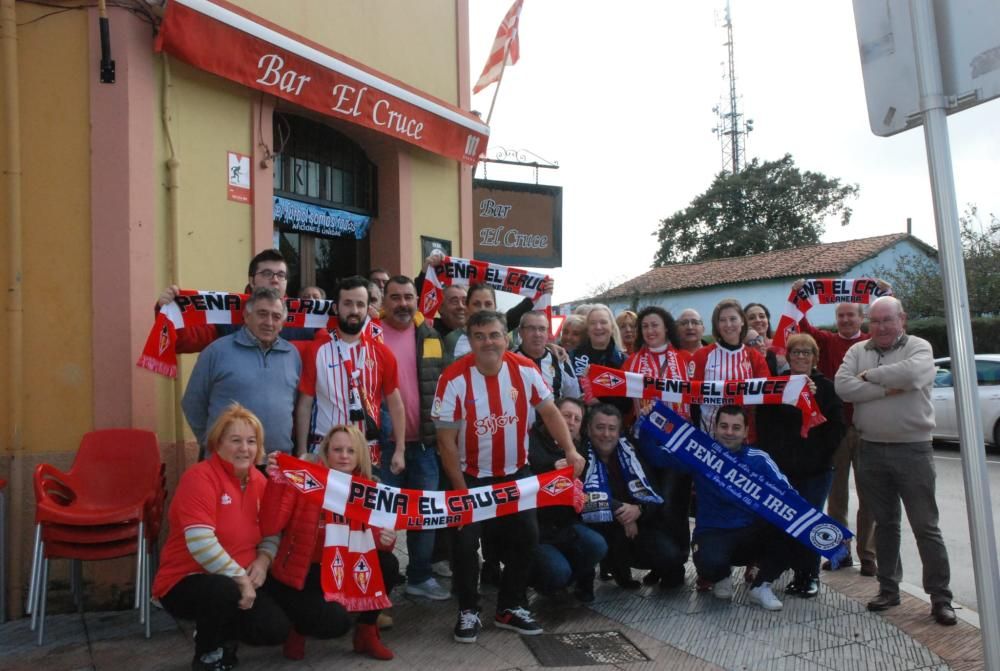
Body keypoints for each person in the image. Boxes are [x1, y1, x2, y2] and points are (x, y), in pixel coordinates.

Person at [433, 310, 585, 644]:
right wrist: (461, 493)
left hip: (517, 474)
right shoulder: (453, 379)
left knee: (527, 538)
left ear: (507, 338)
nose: (488, 342)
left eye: (494, 335)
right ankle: (468, 610)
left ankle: (510, 607)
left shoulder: (526, 370)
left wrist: (570, 450)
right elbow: (445, 443)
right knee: (464, 542)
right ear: (470, 341)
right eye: (480, 336)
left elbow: (550, 413)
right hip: (471, 476)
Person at [835, 296, 957, 625]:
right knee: (885, 526)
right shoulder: (857, 350)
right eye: (875, 321)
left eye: (888, 320)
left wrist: (869, 377)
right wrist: (888, 387)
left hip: (913, 448)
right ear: (868, 323)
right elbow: (843, 387)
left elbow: (916, 374)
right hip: (871, 448)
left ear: (902, 318)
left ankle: (940, 598)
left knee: (925, 526)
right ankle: (888, 589)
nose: (882, 327)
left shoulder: (919, 346)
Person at [152, 405, 290, 671]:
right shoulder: (199, 477)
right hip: (188, 580)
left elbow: (272, 531)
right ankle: (207, 652)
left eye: (251, 442)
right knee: (222, 590)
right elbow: (201, 543)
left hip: (239, 580)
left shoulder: (260, 482)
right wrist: (240, 579)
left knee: (275, 629)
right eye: (235, 440)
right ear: (217, 443)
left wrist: (262, 561)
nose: (244, 448)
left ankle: (223, 632)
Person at [261, 425, 399, 661]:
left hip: (344, 566)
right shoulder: (304, 481)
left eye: (350, 450)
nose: (344, 456)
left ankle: (366, 632)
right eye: (337, 449)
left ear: (359, 456)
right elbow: (271, 525)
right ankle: (300, 627)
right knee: (332, 621)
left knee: (388, 563)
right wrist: (277, 480)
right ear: (326, 451)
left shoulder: (369, 487)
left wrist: (386, 539)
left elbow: (377, 538)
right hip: (308, 569)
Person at [643, 405, 794, 611]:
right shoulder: (701, 454)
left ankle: (761, 587)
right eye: (724, 426)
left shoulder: (759, 458)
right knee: (708, 563)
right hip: (713, 532)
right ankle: (721, 576)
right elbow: (657, 456)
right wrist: (648, 421)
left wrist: (823, 528)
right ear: (715, 429)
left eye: (736, 427)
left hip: (751, 531)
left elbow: (789, 495)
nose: (729, 432)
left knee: (794, 532)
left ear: (746, 431)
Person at [791, 278, 879, 575]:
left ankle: (869, 556)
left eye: (850, 314)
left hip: (868, 426)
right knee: (837, 496)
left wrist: (886, 291)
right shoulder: (827, 341)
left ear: (860, 316)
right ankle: (839, 553)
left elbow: (896, 323)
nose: (845, 319)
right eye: (840, 315)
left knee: (869, 494)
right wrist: (798, 292)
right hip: (838, 429)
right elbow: (803, 327)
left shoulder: (872, 341)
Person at [377, 276, 450, 601]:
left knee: (425, 515)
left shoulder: (430, 336)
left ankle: (419, 577)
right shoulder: (371, 335)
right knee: (381, 517)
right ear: (384, 300)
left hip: (423, 445)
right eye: (395, 297)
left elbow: (444, 383)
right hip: (384, 445)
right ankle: (377, 582)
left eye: (408, 296)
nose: (403, 303)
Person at [756, 333, 844, 597]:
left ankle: (809, 575)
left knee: (809, 522)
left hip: (816, 470)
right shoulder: (776, 387)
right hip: (784, 470)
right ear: (788, 357)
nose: (801, 357)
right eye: (796, 352)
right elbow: (765, 425)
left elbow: (836, 428)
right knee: (783, 523)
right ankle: (783, 571)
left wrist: (820, 456)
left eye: (807, 352)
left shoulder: (826, 388)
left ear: (815, 358)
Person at [295, 276, 406, 466]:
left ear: (367, 309)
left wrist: (400, 450)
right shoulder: (317, 350)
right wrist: (301, 450)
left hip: (366, 452)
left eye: (360, 304)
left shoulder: (383, 353)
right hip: (324, 450)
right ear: (337, 308)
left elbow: (395, 404)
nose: (354, 311)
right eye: (347, 304)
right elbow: (305, 405)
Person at [182, 288, 301, 457]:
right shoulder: (216, 352)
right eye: (262, 314)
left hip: (276, 464)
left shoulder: (292, 355)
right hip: (227, 462)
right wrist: (211, 442)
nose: (269, 322)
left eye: (276, 316)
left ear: (282, 322)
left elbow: (294, 407)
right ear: (246, 316)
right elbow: (193, 403)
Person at [622, 306, 692, 587]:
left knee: (675, 504)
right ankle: (659, 563)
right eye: (645, 327)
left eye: (655, 325)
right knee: (652, 502)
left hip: (679, 443)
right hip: (644, 445)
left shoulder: (686, 360)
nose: (650, 331)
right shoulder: (630, 363)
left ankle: (677, 563)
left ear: (666, 328)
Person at [582, 404, 684, 591]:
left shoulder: (630, 450)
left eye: (612, 428)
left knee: (671, 557)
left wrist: (639, 510)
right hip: (600, 526)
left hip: (639, 523)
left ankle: (664, 570)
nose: (606, 434)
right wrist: (622, 510)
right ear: (588, 429)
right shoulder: (580, 455)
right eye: (600, 427)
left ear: (619, 431)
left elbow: (653, 493)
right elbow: (581, 498)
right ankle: (609, 569)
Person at [157, 249, 316, 353]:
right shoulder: (226, 312)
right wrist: (169, 312)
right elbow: (183, 342)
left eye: (281, 275)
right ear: (252, 280)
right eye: (267, 273)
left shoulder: (306, 319)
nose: (275, 280)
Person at [528, 397, 607, 602]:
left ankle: (570, 581)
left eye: (577, 419)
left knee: (597, 544)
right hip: (535, 531)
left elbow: (591, 494)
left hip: (566, 527)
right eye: (566, 416)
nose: (571, 422)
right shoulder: (530, 441)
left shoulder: (583, 451)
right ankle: (541, 580)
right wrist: (552, 470)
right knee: (557, 572)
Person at [691, 299, 770, 442]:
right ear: (717, 325)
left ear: (742, 322)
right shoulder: (702, 356)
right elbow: (692, 399)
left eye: (733, 319)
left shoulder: (755, 357)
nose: (728, 325)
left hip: (744, 440)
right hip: (708, 436)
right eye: (722, 320)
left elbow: (768, 395)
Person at [571, 304, 629, 414]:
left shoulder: (624, 361)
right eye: (593, 323)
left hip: (609, 425)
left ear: (612, 327)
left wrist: (599, 404)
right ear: (587, 329)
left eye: (603, 322)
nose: (598, 327)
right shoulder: (572, 356)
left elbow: (627, 404)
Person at [516, 311, 581, 401]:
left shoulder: (560, 360)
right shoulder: (508, 361)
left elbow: (573, 398)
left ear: (547, 332)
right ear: (520, 332)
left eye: (542, 329)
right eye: (531, 328)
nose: (537, 334)